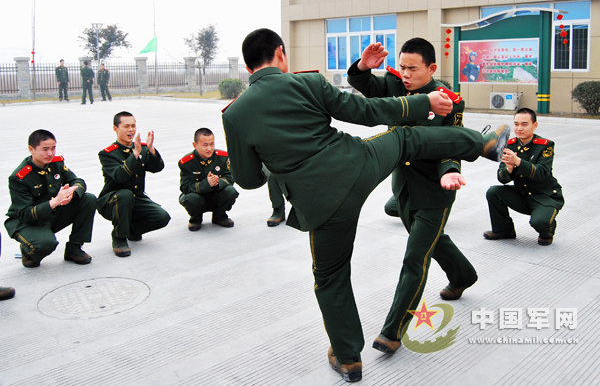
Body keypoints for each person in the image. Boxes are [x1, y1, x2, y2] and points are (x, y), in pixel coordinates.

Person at [221, 28, 508, 382]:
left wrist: (273, 155)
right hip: (358, 164)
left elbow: (249, 179)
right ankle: (482, 144)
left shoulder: (235, 114)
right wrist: (424, 103)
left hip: (320, 203)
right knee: (403, 137)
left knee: (330, 278)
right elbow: (365, 111)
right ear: (280, 53)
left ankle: (348, 358)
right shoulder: (308, 83)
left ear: (248, 66)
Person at [346, 39, 508, 356]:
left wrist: (449, 170)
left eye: (413, 68)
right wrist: (364, 66)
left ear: (431, 69)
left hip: (437, 189)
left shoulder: (449, 101)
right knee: (434, 241)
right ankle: (463, 274)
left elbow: (450, 142)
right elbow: (365, 86)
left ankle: (392, 331)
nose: (405, 74)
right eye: (402, 66)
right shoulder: (394, 84)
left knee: (415, 257)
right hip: (403, 187)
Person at [4, 130, 96, 268]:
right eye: (45, 149)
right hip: (27, 222)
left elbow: (77, 181)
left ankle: (74, 248)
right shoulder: (19, 177)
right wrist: (55, 202)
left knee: (88, 199)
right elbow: (25, 214)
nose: (50, 153)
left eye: (53, 148)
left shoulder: (56, 163)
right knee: (44, 245)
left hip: (50, 214)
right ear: (31, 149)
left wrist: (72, 191)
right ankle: (28, 252)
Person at [484, 108, 564, 246]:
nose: (519, 128)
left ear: (535, 125)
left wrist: (518, 162)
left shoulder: (545, 146)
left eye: (524, 124)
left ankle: (547, 230)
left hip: (544, 196)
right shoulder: (510, 145)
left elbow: (542, 173)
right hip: (523, 194)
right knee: (494, 192)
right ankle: (504, 230)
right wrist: (509, 168)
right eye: (516, 124)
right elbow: (502, 178)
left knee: (540, 222)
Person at [97, 111, 171, 257]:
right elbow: (120, 176)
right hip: (113, 200)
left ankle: (130, 230)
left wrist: (150, 149)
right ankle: (119, 238)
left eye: (133, 126)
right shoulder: (107, 154)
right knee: (125, 194)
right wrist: (135, 155)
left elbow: (157, 168)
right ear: (115, 128)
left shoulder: (141, 148)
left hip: (136, 198)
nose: (131, 130)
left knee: (162, 217)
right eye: (126, 126)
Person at [178, 127, 238, 230]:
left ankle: (219, 216)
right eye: (205, 145)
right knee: (190, 198)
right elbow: (185, 187)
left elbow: (230, 178)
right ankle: (195, 219)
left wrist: (217, 182)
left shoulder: (222, 158)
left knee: (230, 191)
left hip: (216, 195)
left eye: (212, 144)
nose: (209, 148)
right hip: (198, 197)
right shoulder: (187, 163)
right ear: (195, 145)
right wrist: (206, 184)